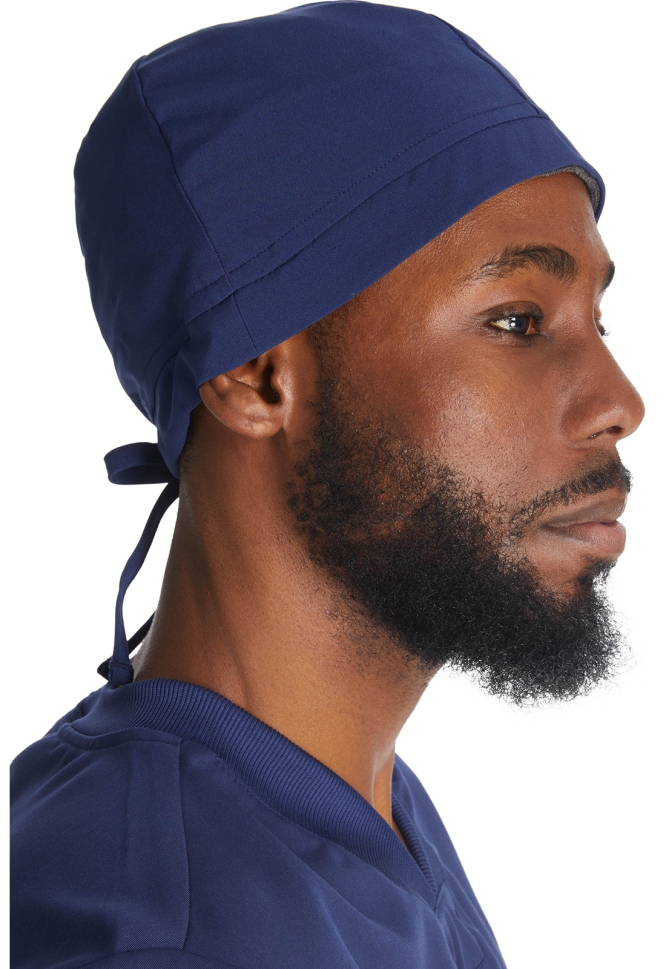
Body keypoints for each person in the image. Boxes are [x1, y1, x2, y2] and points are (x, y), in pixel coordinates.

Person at [10, 3, 644, 967]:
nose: (620, 403)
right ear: (255, 374)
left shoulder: (343, 795)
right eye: (517, 321)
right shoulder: (168, 933)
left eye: (600, 321)